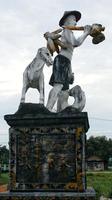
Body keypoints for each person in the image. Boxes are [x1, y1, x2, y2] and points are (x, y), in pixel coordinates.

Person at [46, 11, 91, 111]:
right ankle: (48, 108)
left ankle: (61, 110)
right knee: (58, 86)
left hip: (66, 62)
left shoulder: (69, 32)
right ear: (66, 22)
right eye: (74, 20)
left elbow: (70, 53)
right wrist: (86, 33)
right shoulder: (66, 31)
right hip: (61, 60)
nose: (75, 23)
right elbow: (76, 43)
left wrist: (70, 71)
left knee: (64, 90)